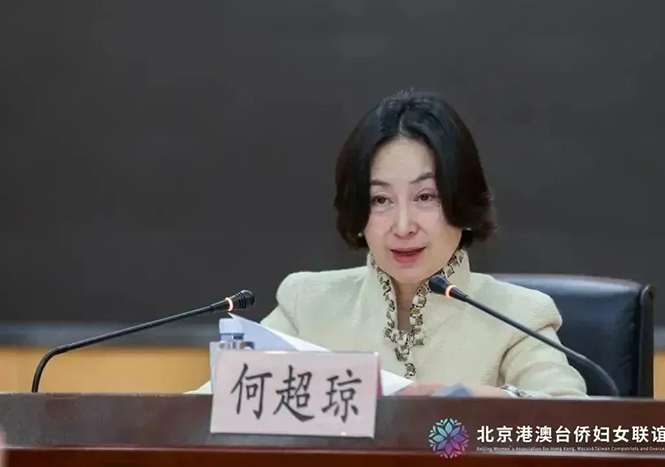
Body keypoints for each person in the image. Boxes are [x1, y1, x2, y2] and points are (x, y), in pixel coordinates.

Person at [196, 91, 587, 398]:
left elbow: (573, 427)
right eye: (380, 200)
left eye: (425, 197)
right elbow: (213, 408)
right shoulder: (306, 304)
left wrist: (480, 402)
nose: (402, 226)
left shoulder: (520, 316)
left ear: (462, 201)